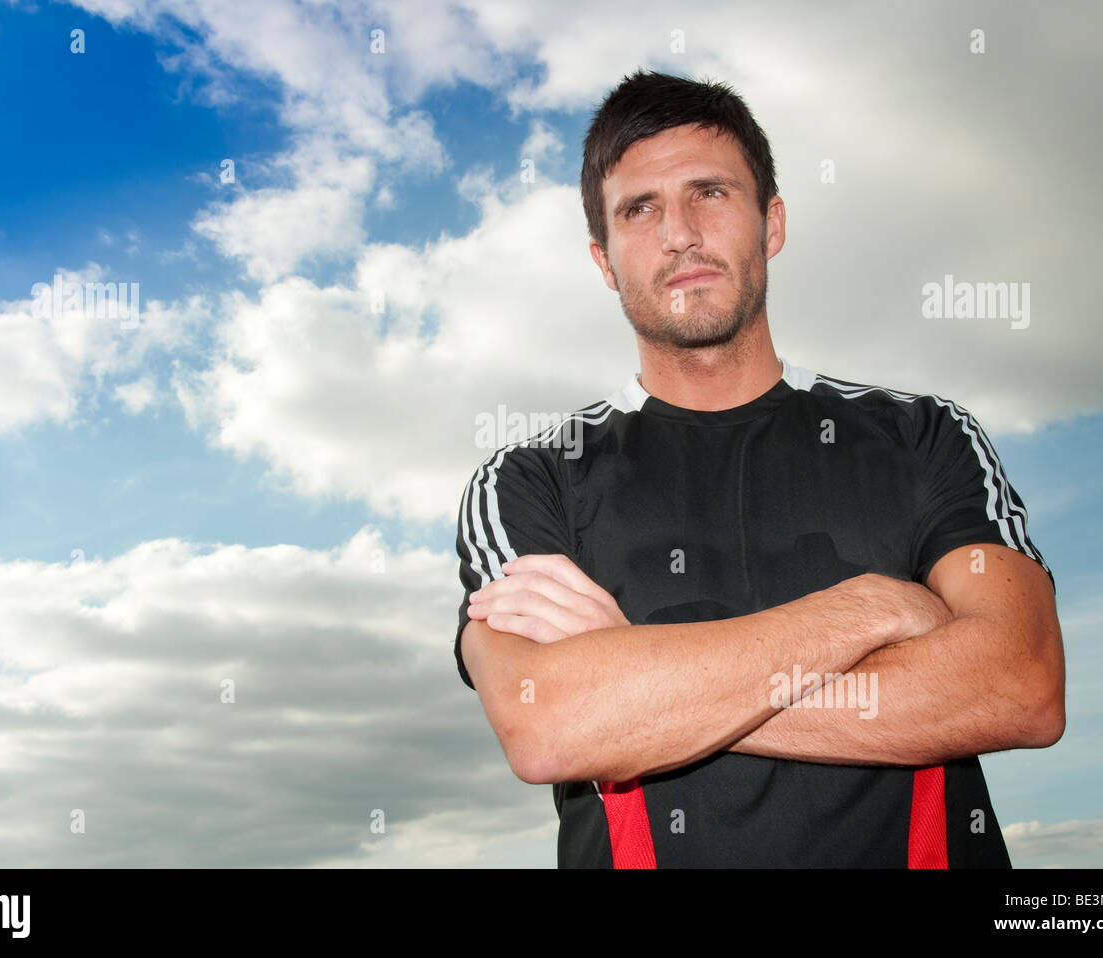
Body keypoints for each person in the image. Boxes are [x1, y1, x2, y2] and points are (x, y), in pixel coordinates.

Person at [453, 69, 1064, 868]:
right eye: (640, 209)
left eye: (710, 192)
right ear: (603, 260)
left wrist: (642, 680)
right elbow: (550, 726)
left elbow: (1020, 685)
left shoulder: (923, 437)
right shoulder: (529, 480)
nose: (679, 233)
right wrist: (872, 608)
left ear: (770, 223)